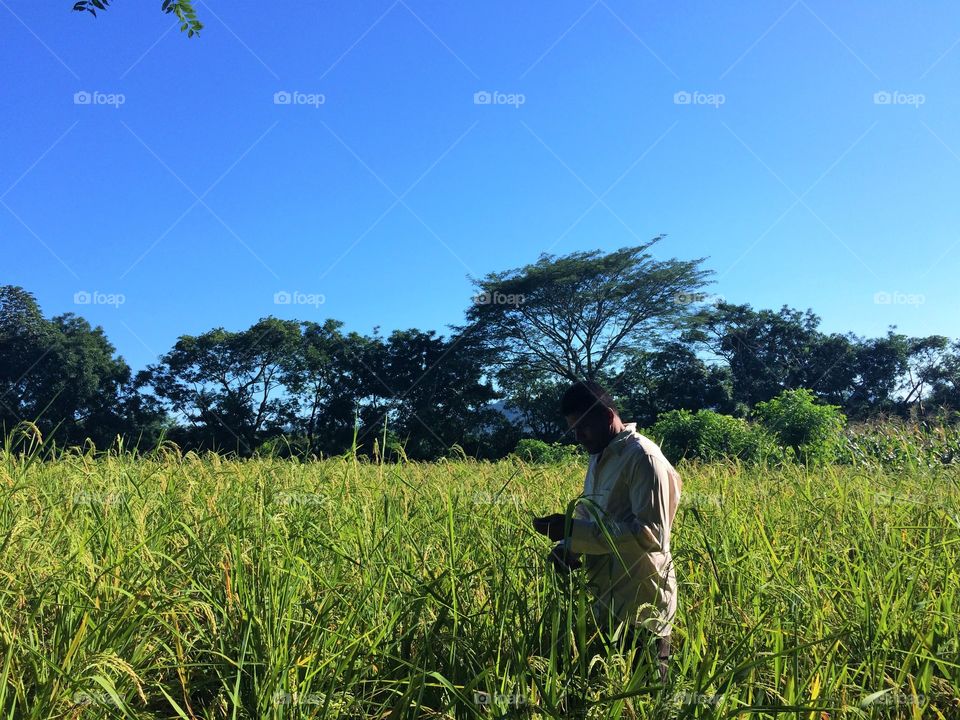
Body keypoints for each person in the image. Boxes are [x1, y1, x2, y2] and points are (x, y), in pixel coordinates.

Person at [533, 380, 682, 684]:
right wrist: (570, 546)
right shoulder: (599, 456)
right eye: (573, 430)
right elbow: (592, 514)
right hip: (606, 601)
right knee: (611, 690)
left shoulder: (644, 458)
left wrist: (574, 529)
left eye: (583, 428)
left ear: (607, 415)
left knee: (649, 696)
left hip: (642, 606)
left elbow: (652, 535)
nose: (578, 437)